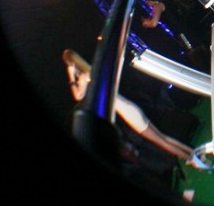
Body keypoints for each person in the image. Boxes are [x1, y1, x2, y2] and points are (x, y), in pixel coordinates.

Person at [62, 49, 193, 160]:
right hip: (130, 109)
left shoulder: (84, 77)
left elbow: (78, 96)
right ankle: (192, 154)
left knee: (161, 142)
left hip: (129, 113)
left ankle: (192, 159)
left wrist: (70, 75)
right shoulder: (90, 73)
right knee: (163, 138)